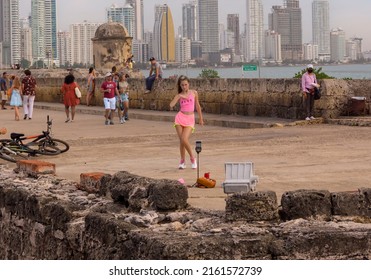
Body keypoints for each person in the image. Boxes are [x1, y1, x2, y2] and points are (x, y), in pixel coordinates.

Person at [170, 75, 204, 169]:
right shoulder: (179, 95)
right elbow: (171, 104)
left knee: (184, 138)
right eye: (182, 85)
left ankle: (192, 158)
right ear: (180, 86)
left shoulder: (194, 93)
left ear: (188, 84)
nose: (184, 86)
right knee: (182, 141)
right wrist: (177, 97)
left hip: (190, 119)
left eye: (185, 84)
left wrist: (200, 118)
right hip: (180, 118)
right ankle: (182, 161)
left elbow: (197, 106)